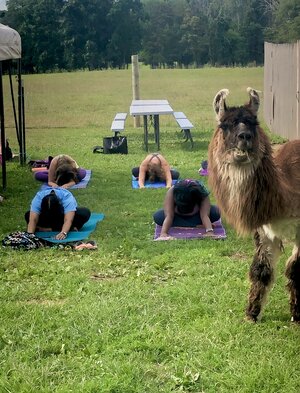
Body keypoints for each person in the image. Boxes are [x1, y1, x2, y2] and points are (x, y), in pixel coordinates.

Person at [153, 179, 220, 240]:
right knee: (158, 216)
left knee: (216, 212)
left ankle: (186, 225)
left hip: (198, 216)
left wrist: (209, 231)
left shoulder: (202, 192)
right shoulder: (172, 191)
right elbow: (169, 215)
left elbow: (204, 215)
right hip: (177, 217)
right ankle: (195, 225)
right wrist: (163, 234)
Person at [25, 178, 91, 240]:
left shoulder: (66, 196)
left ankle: (46, 228)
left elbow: (68, 219)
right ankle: (63, 228)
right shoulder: (39, 197)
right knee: (28, 215)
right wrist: (30, 235)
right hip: (46, 218)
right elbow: (33, 219)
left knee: (85, 212)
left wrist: (63, 232)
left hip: (60, 217)